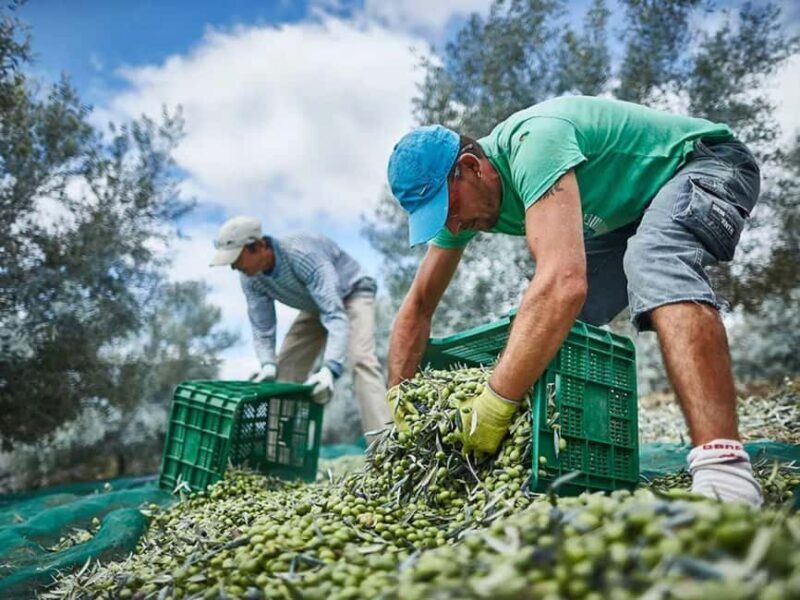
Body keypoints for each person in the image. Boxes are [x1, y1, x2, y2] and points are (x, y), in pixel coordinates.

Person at [385, 95, 762, 505]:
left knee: (651, 259)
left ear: (472, 168)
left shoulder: (534, 141)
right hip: (630, 213)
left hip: (706, 162)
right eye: (440, 220)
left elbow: (564, 281)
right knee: (536, 328)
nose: (454, 226)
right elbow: (418, 307)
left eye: (450, 209)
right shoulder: (464, 210)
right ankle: (562, 460)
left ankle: (725, 471)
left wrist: (494, 403)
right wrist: (400, 399)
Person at [210, 216, 391, 438]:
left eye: (236, 258)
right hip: (314, 303)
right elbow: (262, 327)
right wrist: (267, 363)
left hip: (352, 293)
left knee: (361, 360)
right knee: (284, 370)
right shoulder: (250, 277)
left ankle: (387, 448)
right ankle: (276, 449)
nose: (233, 266)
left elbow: (334, 315)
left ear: (258, 245)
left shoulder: (301, 253)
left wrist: (329, 369)